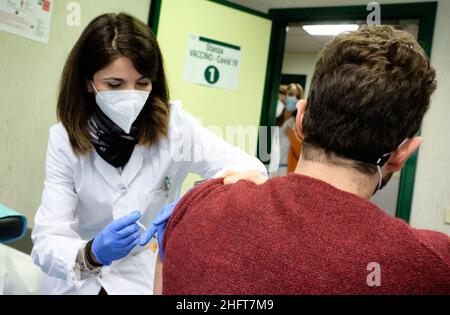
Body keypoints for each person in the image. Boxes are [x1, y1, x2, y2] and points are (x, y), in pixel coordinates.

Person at [155, 25, 450, 294]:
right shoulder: (432, 264)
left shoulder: (198, 204)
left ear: (301, 118)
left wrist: (227, 201)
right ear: (403, 154)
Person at [31, 13, 267, 295]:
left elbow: (253, 170)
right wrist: (92, 254)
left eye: (142, 83)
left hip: (141, 279)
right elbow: (47, 241)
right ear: (87, 83)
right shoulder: (63, 139)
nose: (131, 96)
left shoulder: (175, 128)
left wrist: (193, 203)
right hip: (77, 278)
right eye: (115, 85)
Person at [271, 83, 304, 176]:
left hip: (285, 171)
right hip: (268, 167)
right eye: (291, 94)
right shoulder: (273, 118)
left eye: (297, 96)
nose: (293, 98)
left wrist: (291, 135)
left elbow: (302, 154)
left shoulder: (298, 125)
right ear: (285, 96)